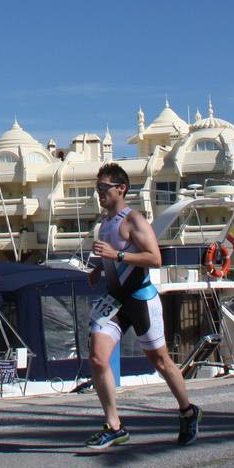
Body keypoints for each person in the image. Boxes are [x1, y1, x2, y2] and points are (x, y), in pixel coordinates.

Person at [84, 162, 201, 449]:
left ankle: (187, 410)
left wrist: (118, 256)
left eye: (103, 187)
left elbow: (155, 258)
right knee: (98, 358)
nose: (98, 192)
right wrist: (100, 268)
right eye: (96, 188)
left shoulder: (133, 220)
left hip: (140, 298)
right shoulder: (105, 224)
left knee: (160, 361)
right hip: (114, 300)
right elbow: (112, 256)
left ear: (120, 189)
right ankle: (114, 425)